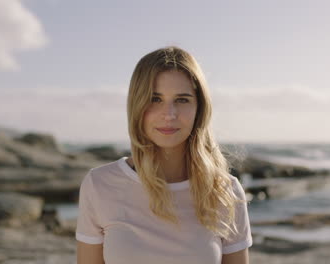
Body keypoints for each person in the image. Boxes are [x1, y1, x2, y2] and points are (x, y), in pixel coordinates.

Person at [76, 46, 252, 264]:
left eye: (182, 99)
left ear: (199, 108)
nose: (169, 114)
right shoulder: (99, 184)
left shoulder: (225, 191)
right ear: (136, 104)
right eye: (155, 99)